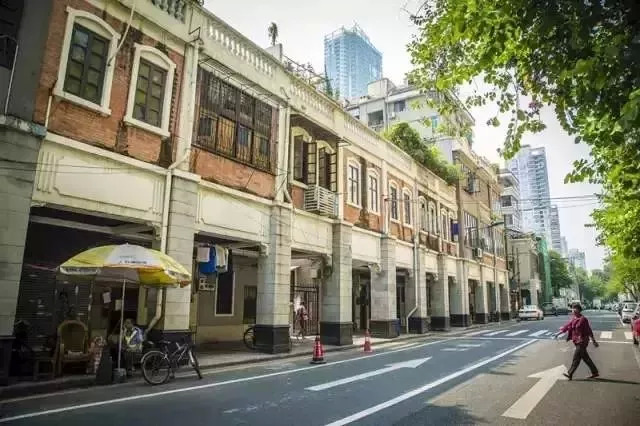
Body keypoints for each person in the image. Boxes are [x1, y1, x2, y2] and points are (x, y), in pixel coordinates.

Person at [554, 303, 599, 380]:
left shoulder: (583, 319)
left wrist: (594, 341)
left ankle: (570, 373)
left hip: (582, 341)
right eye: (572, 308)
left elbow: (589, 330)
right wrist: (558, 333)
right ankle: (595, 372)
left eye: (575, 308)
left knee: (576, 357)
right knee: (586, 358)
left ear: (579, 310)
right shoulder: (574, 319)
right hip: (576, 341)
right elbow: (567, 327)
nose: (573, 310)